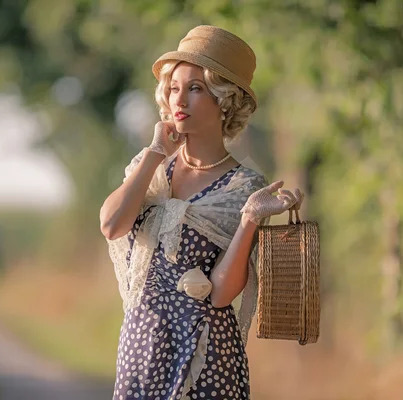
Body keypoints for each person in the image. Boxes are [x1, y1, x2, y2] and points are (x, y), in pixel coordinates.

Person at [100, 25, 302, 400]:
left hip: (207, 353)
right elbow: (112, 225)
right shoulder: (153, 168)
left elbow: (223, 294)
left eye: (195, 88)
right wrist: (155, 155)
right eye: (174, 88)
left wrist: (249, 219)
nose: (180, 100)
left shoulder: (242, 186)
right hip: (142, 346)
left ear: (224, 100)